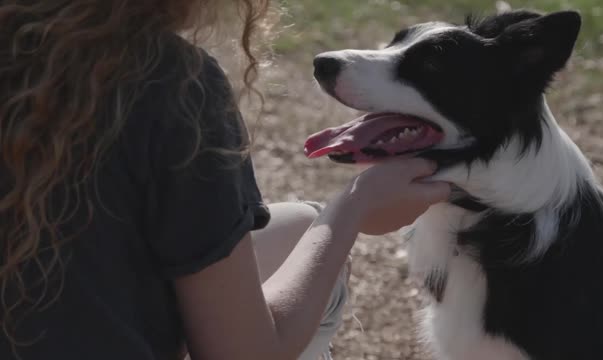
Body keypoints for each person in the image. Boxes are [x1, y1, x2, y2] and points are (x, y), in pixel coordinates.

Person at [0, 1, 451, 359]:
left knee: (296, 228)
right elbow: (247, 354)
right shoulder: (163, 80)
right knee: (311, 236)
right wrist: (353, 207)